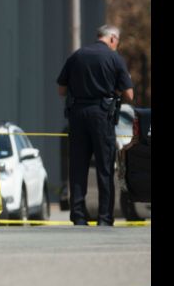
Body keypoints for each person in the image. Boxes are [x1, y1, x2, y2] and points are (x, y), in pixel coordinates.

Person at [57, 25, 134, 226]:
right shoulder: (114, 58)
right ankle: (104, 218)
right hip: (102, 116)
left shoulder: (76, 56)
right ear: (112, 39)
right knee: (105, 168)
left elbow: (61, 90)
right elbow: (129, 95)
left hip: (77, 115)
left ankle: (79, 216)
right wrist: (113, 92)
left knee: (78, 167)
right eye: (117, 42)